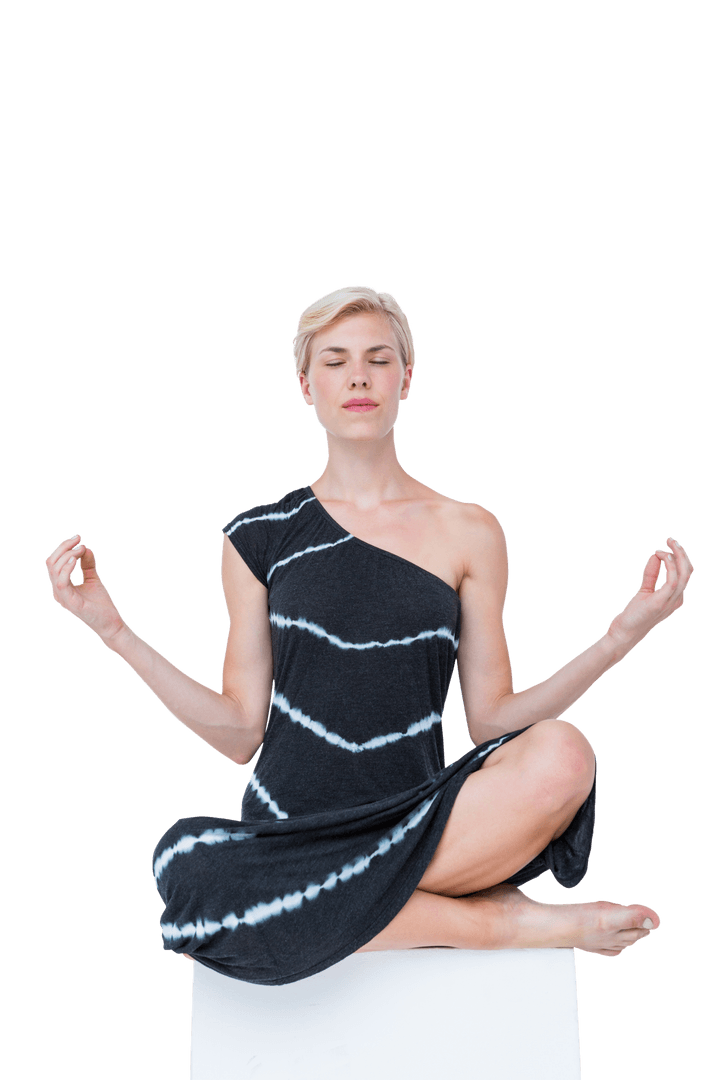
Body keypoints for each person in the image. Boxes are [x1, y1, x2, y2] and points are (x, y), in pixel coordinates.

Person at [43, 284, 693, 985]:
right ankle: (502, 922)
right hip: (286, 836)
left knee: (565, 753)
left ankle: (333, 907)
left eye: (378, 359)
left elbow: (493, 721)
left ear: (405, 379)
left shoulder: (470, 530)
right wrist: (115, 630)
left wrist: (619, 636)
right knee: (188, 864)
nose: (358, 377)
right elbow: (239, 731)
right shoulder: (258, 535)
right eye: (335, 361)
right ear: (306, 385)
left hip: (417, 823)